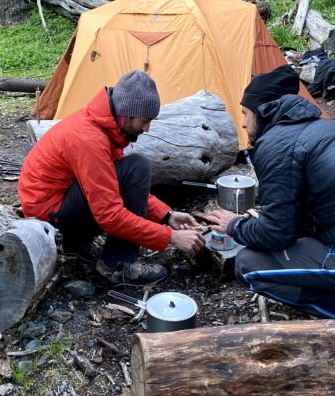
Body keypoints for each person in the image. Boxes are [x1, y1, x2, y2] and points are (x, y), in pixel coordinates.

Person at [208, 65, 335, 320]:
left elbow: (277, 235)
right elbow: (296, 215)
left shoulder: (277, 146)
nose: (242, 122)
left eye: (245, 113)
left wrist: (235, 226)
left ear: (263, 112)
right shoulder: (319, 127)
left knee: (248, 266)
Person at [19, 70, 205, 286]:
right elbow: (110, 214)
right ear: (126, 114)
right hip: (49, 221)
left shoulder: (107, 127)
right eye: (144, 121)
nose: (147, 128)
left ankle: (84, 247)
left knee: (133, 169)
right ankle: (115, 267)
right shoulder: (89, 138)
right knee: (138, 167)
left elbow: (114, 186)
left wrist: (167, 215)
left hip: (57, 205)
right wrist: (169, 236)